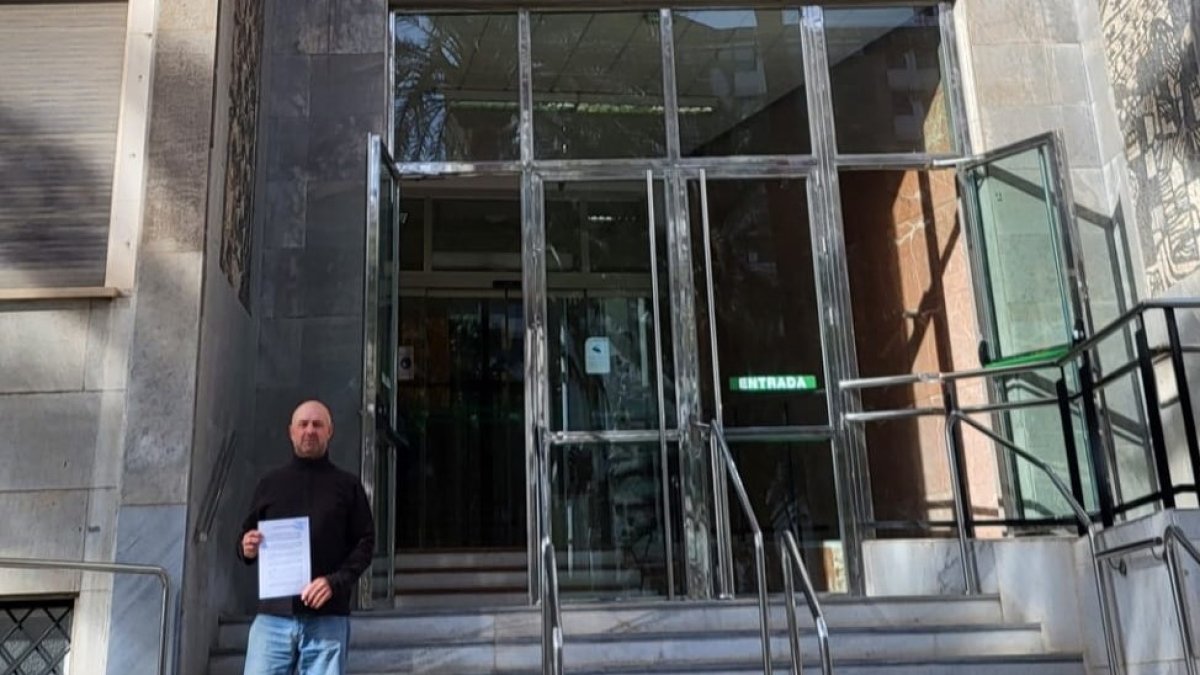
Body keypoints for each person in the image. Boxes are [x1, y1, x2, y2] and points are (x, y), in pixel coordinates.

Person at [238, 400, 375, 675]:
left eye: (317, 424)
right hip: (273, 618)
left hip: (327, 617)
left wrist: (334, 582)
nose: (309, 431)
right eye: (303, 424)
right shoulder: (269, 484)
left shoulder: (348, 485)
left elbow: (365, 543)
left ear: (330, 431)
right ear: (291, 432)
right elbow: (246, 536)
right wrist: (247, 547)